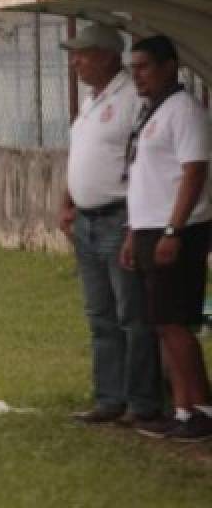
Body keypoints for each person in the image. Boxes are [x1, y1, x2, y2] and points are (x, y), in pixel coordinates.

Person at [57, 25, 162, 427]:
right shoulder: (90, 102)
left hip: (120, 218)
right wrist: (67, 202)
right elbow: (81, 155)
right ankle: (109, 397)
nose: (75, 62)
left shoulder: (132, 98)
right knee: (100, 314)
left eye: (81, 54)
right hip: (86, 221)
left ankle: (142, 401)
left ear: (104, 55)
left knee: (132, 315)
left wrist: (137, 225)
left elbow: (142, 162)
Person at [121, 35, 212, 443]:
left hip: (176, 230)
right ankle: (181, 408)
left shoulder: (185, 111)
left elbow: (194, 172)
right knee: (160, 323)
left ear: (169, 66)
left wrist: (174, 229)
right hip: (147, 228)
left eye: (144, 66)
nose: (136, 75)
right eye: (133, 67)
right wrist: (132, 232)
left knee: (174, 322)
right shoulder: (150, 112)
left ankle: (202, 410)